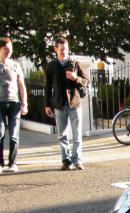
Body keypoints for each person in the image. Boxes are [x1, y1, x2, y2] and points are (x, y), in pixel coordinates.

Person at [45, 37, 89, 171]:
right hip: (59, 104)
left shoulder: (74, 63)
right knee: (62, 135)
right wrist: (47, 104)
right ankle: (66, 160)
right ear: (56, 49)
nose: (64, 51)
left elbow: (86, 81)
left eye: (66, 49)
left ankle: (77, 160)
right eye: (61, 49)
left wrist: (76, 78)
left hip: (74, 103)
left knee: (76, 134)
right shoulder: (52, 65)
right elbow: (47, 86)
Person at [0, 37, 28, 174]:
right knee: (0, 133)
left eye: (10, 50)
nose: (8, 52)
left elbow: (21, 86)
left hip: (14, 104)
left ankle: (13, 163)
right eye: (6, 50)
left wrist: (25, 103)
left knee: (14, 135)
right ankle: (0, 163)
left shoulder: (15, 65)